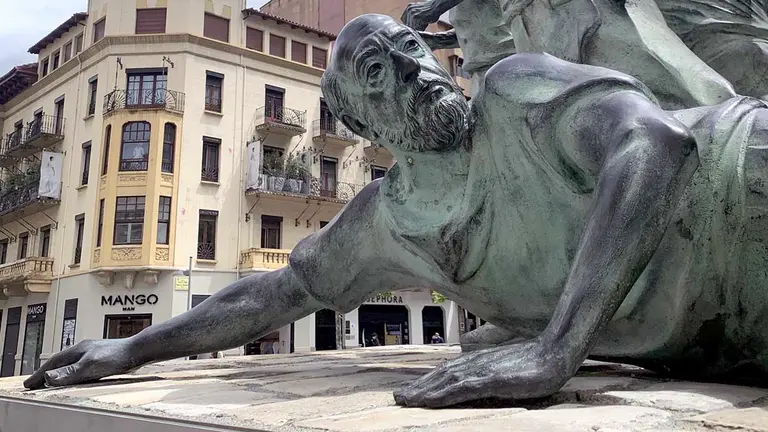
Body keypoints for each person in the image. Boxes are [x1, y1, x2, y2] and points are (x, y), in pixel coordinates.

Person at [24, 15, 768, 409]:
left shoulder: (514, 93)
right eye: (380, 70)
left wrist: (557, 349)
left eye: (412, 48)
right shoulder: (386, 222)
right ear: (362, 123)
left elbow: (654, 146)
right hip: (727, 335)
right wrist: (133, 349)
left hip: (747, 182)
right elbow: (278, 293)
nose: (416, 68)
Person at [403, 0, 738, 108]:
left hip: (560, 17)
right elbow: (478, 30)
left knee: (634, 70)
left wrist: (432, 7)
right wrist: (438, 41)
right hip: (529, 29)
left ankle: (716, 112)